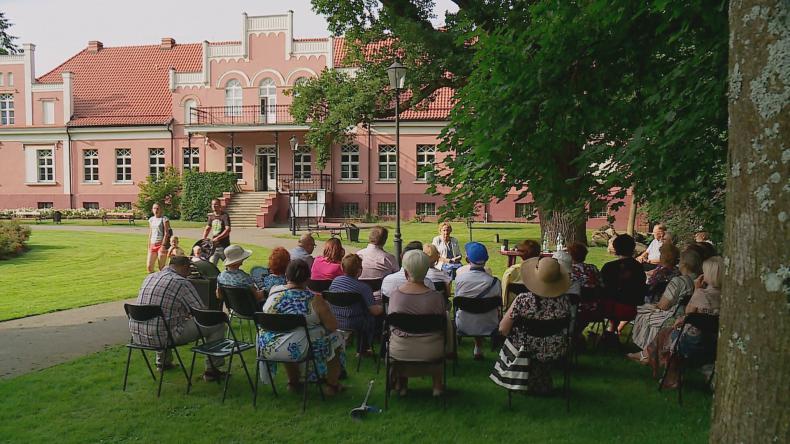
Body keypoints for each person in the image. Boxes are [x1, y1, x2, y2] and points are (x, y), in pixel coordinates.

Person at [129, 256, 226, 381]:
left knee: (162, 321)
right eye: (189, 270)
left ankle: (163, 363)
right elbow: (201, 312)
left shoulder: (150, 277)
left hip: (138, 335)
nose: (189, 274)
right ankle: (212, 371)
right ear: (185, 267)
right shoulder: (181, 282)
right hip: (164, 337)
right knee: (216, 324)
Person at [257, 260, 345, 395]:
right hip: (296, 349)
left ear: (287, 276)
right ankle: (331, 385)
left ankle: (294, 382)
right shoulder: (315, 300)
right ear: (308, 278)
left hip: (268, 347)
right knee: (337, 337)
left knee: (289, 335)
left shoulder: (274, 292)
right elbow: (332, 326)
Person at [490, 257, 572, 394]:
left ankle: (522, 380)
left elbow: (503, 329)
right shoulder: (565, 302)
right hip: (556, 348)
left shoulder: (523, 300)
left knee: (503, 335)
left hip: (525, 348)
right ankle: (539, 382)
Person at [642, 256, 723, 387]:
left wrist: (696, 290)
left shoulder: (702, 294)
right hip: (715, 344)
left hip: (692, 344)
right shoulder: (726, 297)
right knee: (671, 332)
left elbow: (688, 313)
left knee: (666, 334)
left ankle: (669, 373)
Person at [388, 250, 447, 397]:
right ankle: (437, 384)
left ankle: (402, 383)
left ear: (405, 272)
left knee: (400, 335)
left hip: (400, 350)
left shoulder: (395, 296)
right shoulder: (436, 297)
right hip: (432, 350)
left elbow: (392, 325)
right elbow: (442, 324)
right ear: (426, 271)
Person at [628, 248, 702, 360]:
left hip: (673, 316)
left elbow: (664, 305)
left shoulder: (679, 281)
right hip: (688, 316)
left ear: (684, 264)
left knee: (642, 312)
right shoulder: (700, 281)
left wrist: (655, 305)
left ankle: (647, 352)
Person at [454, 242, 502, 360]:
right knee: (481, 313)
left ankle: (475, 348)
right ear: (487, 259)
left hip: (464, 325)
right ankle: (479, 347)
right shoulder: (495, 282)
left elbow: (457, 301)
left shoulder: (460, 280)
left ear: (467, 259)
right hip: (490, 325)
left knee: (474, 312)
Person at [327, 254, 383, 353]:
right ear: (359, 270)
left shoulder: (335, 282)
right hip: (355, 322)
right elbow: (374, 311)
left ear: (342, 268)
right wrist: (384, 307)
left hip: (335, 319)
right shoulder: (363, 288)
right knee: (372, 317)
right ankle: (364, 349)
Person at [600, 234, 647, 335]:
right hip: (632, 308)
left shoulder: (609, 267)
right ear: (633, 248)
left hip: (608, 308)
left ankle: (611, 331)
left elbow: (601, 287)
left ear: (615, 249)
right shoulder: (638, 268)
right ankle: (612, 330)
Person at [501, 239, 541, 308]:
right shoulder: (544, 272)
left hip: (513, 309)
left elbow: (504, 298)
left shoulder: (511, 272)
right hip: (538, 308)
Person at [202, 199, 231, 265]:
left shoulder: (224, 216)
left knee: (229, 265)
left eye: (216, 204)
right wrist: (203, 239)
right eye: (212, 204)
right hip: (214, 247)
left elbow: (228, 230)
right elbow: (207, 228)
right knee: (211, 266)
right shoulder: (211, 217)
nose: (214, 206)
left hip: (224, 246)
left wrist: (218, 238)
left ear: (220, 205)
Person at [146, 203, 171, 273]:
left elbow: (167, 233)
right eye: (154, 208)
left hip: (161, 244)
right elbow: (150, 232)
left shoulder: (164, 219)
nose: (156, 210)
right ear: (152, 210)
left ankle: (164, 278)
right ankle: (154, 278)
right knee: (149, 267)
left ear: (161, 210)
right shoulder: (151, 219)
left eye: (157, 208)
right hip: (153, 244)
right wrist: (149, 245)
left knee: (161, 267)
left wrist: (163, 245)